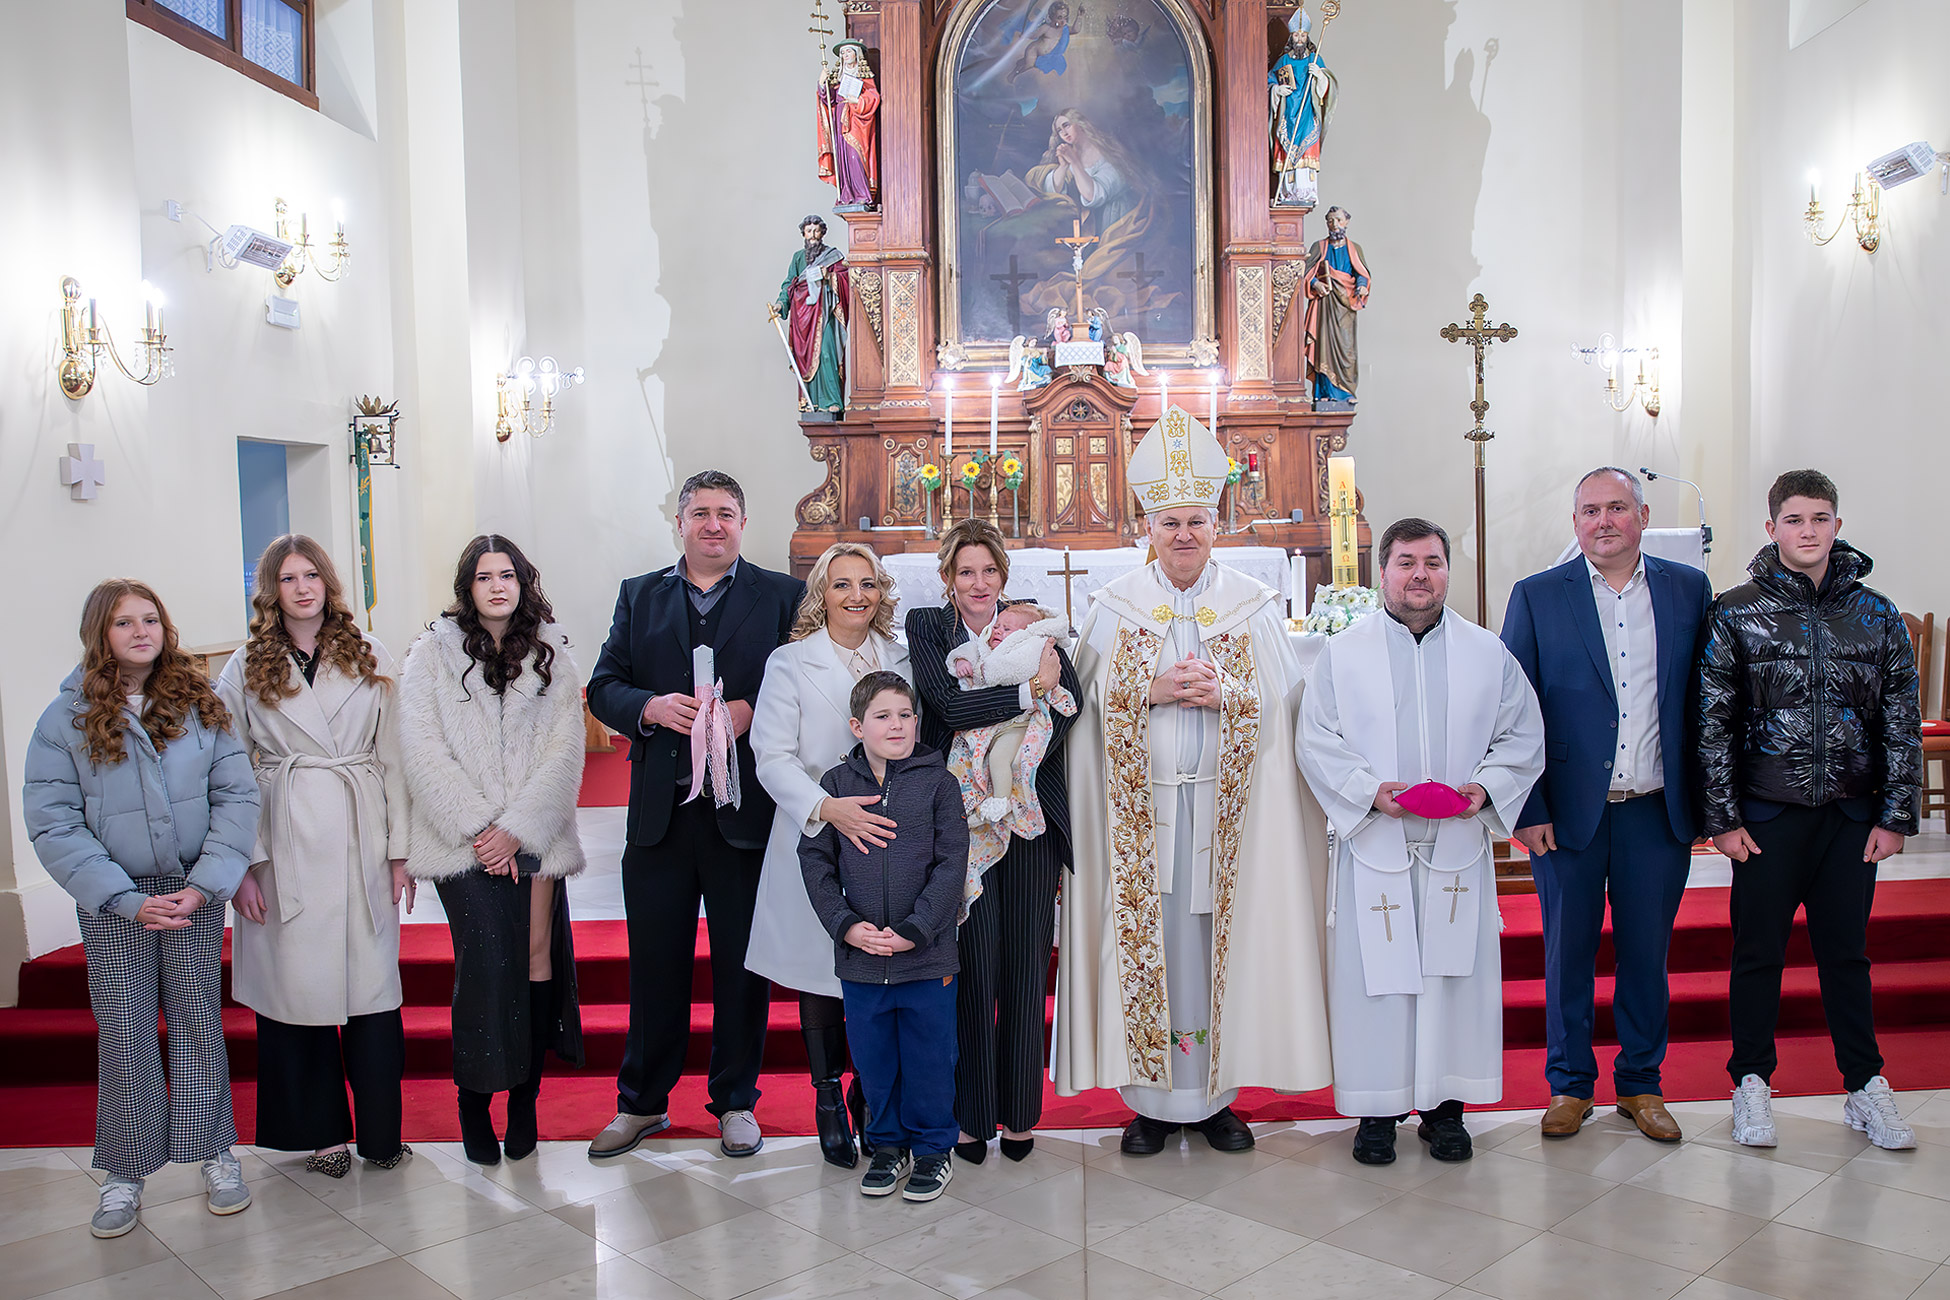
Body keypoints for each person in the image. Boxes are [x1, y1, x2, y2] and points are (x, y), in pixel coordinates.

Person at [1057, 410, 1333, 1157]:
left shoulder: (1250, 604)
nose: (1184, 535)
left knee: (1218, 945)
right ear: (1147, 527)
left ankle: (1216, 1099)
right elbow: (1076, 710)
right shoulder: (1115, 607)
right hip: (1140, 819)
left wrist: (1231, 696)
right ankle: (1150, 1104)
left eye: (1197, 522)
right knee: (1155, 942)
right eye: (1170, 522)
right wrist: (1142, 692)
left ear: (1217, 525)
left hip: (1225, 815)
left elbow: (1289, 707)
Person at [1298, 518, 1544, 1166]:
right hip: (1376, 843)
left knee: (1450, 979)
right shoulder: (1344, 654)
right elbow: (1316, 739)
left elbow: (1522, 736)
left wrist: (1485, 789)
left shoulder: (1486, 652)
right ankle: (1377, 1111)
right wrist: (1366, 791)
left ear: (1446, 572)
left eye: (1432, 563)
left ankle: (1445, 1109)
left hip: (1455, 847)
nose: (1420, 575)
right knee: (1376, 983)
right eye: (1406, 562)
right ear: (1382, 572)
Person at [23, 579, 260, 1238]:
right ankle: (125, 1171)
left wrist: (206, 884)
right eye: (124, 622)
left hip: (190, 893)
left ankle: (216, 1154)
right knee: (125, 1030)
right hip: (115, 902)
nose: (140, 632)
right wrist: (124, 899)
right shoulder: (64, 719)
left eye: (150, 619)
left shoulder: (200, 705)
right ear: (100, 632)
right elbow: (54, 822)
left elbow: (236, 796)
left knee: (196, 1020)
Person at [1696, 469, 1922, 1151]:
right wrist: (1722, 819)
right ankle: (1751, 1083)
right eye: (1794, 519)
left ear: (1837, 525)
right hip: (1768, 815)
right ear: (1772, 528)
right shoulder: (1735, 612)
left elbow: (1900, 721)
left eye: (1820, 518)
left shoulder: (1877, 615)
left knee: (1847, 956)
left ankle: (1865, 1085)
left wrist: (1895, 815)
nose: (1808, 531)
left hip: (1851, 816)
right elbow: (1713, 722)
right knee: (1757, 953)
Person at [587, 470, 805, 1159]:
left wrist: (753, 711)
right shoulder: (639, 595)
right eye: (701, 512)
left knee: (742, 967)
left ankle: (736, 1101)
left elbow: (803, 680)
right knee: (655, 965)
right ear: (679, 522)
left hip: (743, 814)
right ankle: (642, 1103)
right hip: (661, 815)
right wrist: (649, 708)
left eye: (727, 513)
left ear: (743, 523)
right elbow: (604, 685)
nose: (714, 524)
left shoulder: (783, 596)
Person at [1499, 469, 1712, 1143]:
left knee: (1647, 954)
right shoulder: (1537, 596)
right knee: (1567, 953)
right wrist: (1528, 807)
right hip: (1566, 814)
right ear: (1575, 523)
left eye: (1617, 507)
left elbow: (1707, 701)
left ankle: (1642, 1083)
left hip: (1656, 808)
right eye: (1590, 510)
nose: (1604, 521)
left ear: (1642, 516)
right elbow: (1514, 710)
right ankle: (1569, 1084)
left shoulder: (1688, 589)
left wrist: (1712, 804)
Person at [216, 536, 414, 1178]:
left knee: (372, 994)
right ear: (270, 591)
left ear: (329, 583)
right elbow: (227, 769)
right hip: (283, 841)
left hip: (360, 835)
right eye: (287, 578)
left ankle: (381, 1136)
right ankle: (320, 1136)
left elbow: (396, 759)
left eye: (311, 576)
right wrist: (243, 865)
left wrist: (400, 853)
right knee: (297, 995)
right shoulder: (244, 665)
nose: (301, 588)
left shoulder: (371, 653)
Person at [399, 536, 587, 1166]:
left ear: (523, 583)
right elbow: (421, 747)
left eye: (508, 575)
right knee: (484, 967)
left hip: (536, 836)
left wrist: (519, 828)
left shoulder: (552, 652)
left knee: (536, 961)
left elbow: (565, 750)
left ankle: (525, 1102)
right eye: (485, 577)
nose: (498, 586)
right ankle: (474, 1102)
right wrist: (482, 829)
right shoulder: (431, 653)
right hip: (462, 843)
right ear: (468, 587)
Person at [907, 519, 1079, 1164]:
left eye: (989, 571)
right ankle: (972, 1115)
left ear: (1004, 575)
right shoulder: (929, 626)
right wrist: (1028, 692)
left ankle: (1020, 1114)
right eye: (966, 572)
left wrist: (1023, 749)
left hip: (1029, 818)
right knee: (976, 965)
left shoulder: (1032, 624)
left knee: (1027, 966)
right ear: (947, 578)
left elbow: (1071, 700)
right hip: (964, 822)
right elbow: (947, 707)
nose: (979, 584)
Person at [747, 542, 911, 1169]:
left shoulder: (901, 657)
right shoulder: (790, 662)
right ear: (821, 594)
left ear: (881, 591)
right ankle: (826, 1098)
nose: (856, 596)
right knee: (823, 969)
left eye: (867, 584)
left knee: (874, 963)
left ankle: (870, 1091)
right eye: (841, 584)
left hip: (887, 835)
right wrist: (826, 807)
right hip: (816, 829)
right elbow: (772, 756)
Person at [799, 672, 968, 1202]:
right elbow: (815, 863)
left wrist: (918, 929)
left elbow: (952, 864)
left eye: (905, 715)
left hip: (927, 957)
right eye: (883, 716)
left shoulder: (940, 784)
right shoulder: (835, 786)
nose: (897, 725)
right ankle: (888, 1145)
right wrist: (847, 926)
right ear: (857, 726)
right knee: (874, 1062)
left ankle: (933, 1149)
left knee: (930, 1060)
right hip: (863, 961)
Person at [945, 602, 1077, 908]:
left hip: (1018, 724)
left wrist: (984, 672)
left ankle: (1001, 801)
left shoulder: (1033, 647)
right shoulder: (986, 645)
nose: (997, 631)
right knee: (967, 761)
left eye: (1007, 629)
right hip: (992, 724)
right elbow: (966, 657)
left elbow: (1007, 673)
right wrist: (962, 661)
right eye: (997, 626)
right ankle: (975, 807)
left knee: (1000, 760)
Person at [770, 216, 850, 420]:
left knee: (827, 354)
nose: (812, 235)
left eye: (816, 231)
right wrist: (781, 304)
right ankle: (811, 401)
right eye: (809, 231)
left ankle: (832, 401)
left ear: (822, 233)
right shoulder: (798, 258)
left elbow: (845, 279)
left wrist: (828, 277)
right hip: (803, 318)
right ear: (803, 234)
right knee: (805, 358)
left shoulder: (833, 257)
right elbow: (789, 284)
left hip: (824, 314)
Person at [1301, 206, 1370, 404]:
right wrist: (1315, 283)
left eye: (1338, 220)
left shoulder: (1354, 249)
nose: (1334, 224)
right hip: (1324, 305)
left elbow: (1362, 273)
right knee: (1323, 346)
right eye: (1331, 220)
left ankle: (1346, 392)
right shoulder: (1319, 247)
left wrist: (1362, 286)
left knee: (1346, 349)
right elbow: (1305, 271)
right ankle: (1324, 392)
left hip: (1345, 306)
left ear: (1346, 222)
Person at [1268, 9, 1337, 206]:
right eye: (1297, 35)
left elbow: (1327, 89)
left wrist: (1320, 76)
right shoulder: (1284, 60)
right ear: (1291, 37)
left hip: (1307, 113)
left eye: (1303, 35)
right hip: (1289, 112)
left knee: (1307, 146)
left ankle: (1306, 192)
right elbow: (1269, 81)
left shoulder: (1314, 59)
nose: (1300, 39)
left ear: (1307, 37)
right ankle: (1288, 193)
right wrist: (1277, 90)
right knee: (1286, 145)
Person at [817, 39, 879, 209]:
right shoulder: (838, 78)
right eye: (843, 53)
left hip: (857, 122)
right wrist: (822, 83)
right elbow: (828, 100)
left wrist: (857, 101)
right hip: (840, 121)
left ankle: (862, 194)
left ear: (857, 54)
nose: (845, 55)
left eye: (849, 51)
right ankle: (847, 194)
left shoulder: (864, 78)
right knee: (843, 159)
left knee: (855, 156)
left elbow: (873, 98)